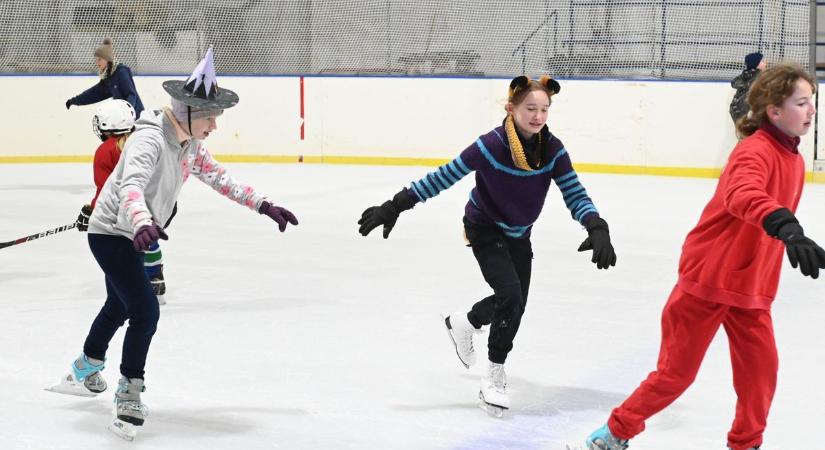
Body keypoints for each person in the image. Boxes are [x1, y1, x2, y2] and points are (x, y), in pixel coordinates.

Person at [49, 47, 298, 440]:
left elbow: (220, 178)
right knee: (145, 312)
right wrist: (144, 222)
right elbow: (130, 185)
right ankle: (129, 394)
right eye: (211, 117)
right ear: (186, 112)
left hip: (135, 231)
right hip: (112, 232)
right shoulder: (149, 139)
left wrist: (263, 205)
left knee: (119, 304)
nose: (215, 125)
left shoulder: (189, 144)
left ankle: (86, 366)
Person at [584, 63, 825, 450]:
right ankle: (614, 433)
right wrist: (786, 227)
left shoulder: (794, 159)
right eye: (801, 103)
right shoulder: (754, 151)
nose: (812, 111)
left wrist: (785, 234)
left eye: (812, 102)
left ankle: (745, 444)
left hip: (750, 286)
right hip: (709, 279)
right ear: (774, 112)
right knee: (675, 375)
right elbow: (743, 194)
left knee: (760, 377)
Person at [358, 75, 617, 416]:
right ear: (511, 109)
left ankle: (466, 322)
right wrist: (394, 206)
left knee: (516, 303)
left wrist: (595, 225)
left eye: (544, 110)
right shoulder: (490, 146)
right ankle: (494, 374)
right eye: (530, 108)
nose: (538, 116)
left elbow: (573, 191)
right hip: (484, 228)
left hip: (519, 234)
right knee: (510, 294)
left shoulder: (552, 151)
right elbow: (442, 177)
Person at [75, 99, 170, 304]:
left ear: (107, 125)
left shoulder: (105, 151)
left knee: (125, 239)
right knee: (147, 232)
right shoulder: (144, 139)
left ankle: (132, 283)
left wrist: (92, 210)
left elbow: (106, 189)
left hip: (124, 208)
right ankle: (155, 276)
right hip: (155, 203)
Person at [65, 37, 145, 118]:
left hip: (136, 118)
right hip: (123, 119)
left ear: (107, 59)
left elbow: (131, 94)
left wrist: (127, 112)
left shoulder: (121, 72)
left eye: (99, 59)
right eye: (96, 60)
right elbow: (94, 93)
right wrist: (74, 101)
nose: (97, 63)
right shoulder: (109, 78)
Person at [729, 51, 766, 124]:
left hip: (737, 111)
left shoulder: (745, 77)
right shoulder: (758, 79)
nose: (765, 63)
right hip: (747, 114)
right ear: (757, 64)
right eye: (762, 61)